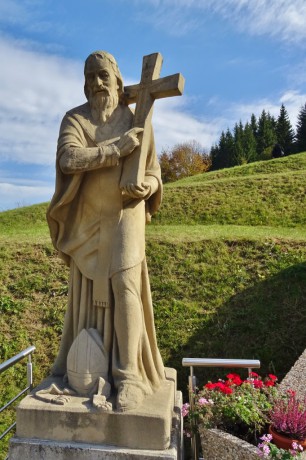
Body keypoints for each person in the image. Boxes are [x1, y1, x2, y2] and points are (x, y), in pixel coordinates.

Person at [47, 51, 165, 411]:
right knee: (85, 293)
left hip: (126, 215)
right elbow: (69, 159)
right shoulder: (76, 120)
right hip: (86, 221)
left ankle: (128, 377)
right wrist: (115, 149)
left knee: (125, 285)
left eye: (103, 76)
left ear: (117, 80)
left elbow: (154, 169)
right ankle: (85, 368)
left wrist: (148, 186)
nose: (97, 83)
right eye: (90, 77)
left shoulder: (136, 119)